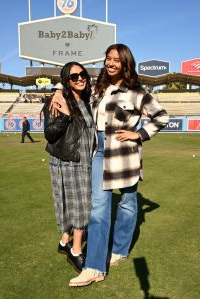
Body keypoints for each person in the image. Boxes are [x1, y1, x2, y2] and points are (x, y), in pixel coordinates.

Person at [52, 44, 169, 286]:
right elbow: (73, 80)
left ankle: (120, 249)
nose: (110, 63)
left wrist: (139, 134)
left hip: (125, 155)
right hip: (99, 152)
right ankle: (94, 267)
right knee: (98, 209)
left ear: (125, 64)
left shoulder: (136, 92)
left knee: (127, 204)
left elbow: (162, 116)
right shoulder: (98, 87)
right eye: (108, 58)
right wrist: (56, 91)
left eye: (116, 59)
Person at [42, 62, 95, 273]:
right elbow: (50, 133)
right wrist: (64, 116)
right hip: (69, 161)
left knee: (73, 205)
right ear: (67, 80)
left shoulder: (87, 100)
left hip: (82, 162)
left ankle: (64, 241)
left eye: (83, 74)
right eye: (74, 77)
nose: (80, 78)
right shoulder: (60, 100)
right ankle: (75, 251)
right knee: (80, 206)